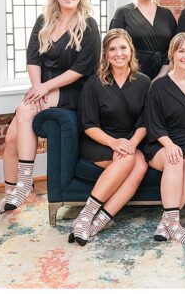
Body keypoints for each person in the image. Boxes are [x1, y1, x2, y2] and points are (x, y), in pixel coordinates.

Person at [0, 0, 101, 216]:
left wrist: (44, 89)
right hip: (43, 87)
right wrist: (38, 87)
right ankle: (9, 196)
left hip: (73, 89)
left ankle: (25, 182)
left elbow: (82, 68)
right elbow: (32, 58)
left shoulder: (88, 25)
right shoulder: (44, 20)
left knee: (25, 108)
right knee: (10, 141)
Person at [69, 29, 150, 246]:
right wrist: (113, 143)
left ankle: (98, 222)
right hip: (100, 141)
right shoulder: (95, 83)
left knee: (139, 165)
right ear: (105, 54)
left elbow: (145, 121)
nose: (118, 53)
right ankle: (86, 216)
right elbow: (88, 124)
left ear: (131, 50)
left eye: (123, 48)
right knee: (128, 160)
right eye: (112, 49)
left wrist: (132, 143)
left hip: (131, 141)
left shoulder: (143, 82)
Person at [142, 33, 185, 243]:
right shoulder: (159, 86)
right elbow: (153, 124)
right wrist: (169, 144)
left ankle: (167, 223)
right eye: (181, 51)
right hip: (162, 142)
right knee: (175, 158)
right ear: (172, 53)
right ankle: (175, 226)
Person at [109, 0, 177, 79]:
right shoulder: (123, 13)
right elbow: (113, 46)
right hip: (133, 75)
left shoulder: (166, 14)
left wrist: (161, 76)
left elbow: (175, 46)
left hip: (166, 74)